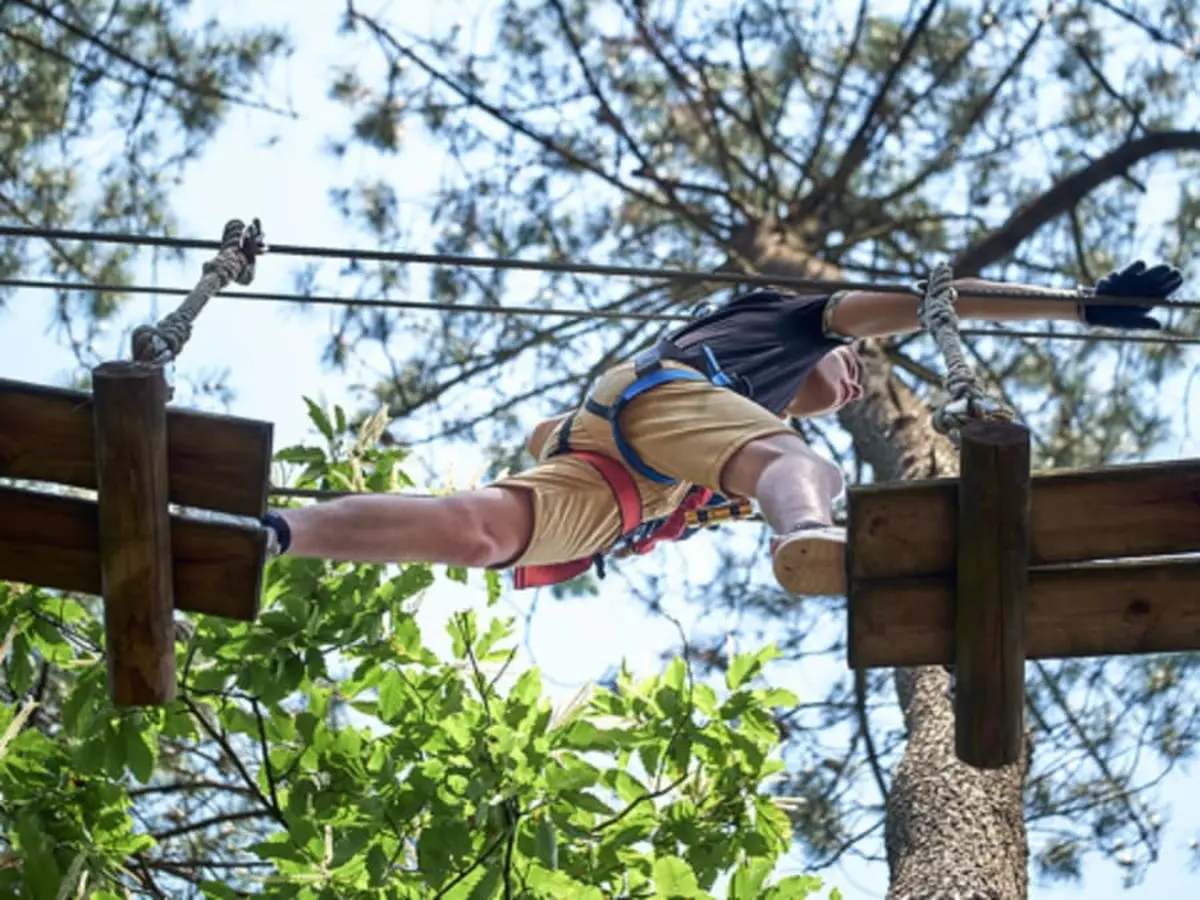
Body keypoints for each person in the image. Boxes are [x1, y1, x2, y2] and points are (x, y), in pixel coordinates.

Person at [260, 261, 1182, 595]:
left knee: (478, 532)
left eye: (857, 383)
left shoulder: (739, 431)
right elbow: (928, 300)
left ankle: (276, 533)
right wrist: (1076, 303)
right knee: (796, 464)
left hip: (630, 481)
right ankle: (808, 532)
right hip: (659, 404)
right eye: (851, 366)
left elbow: (550, 430)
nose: (851, 382)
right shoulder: (791, 323)